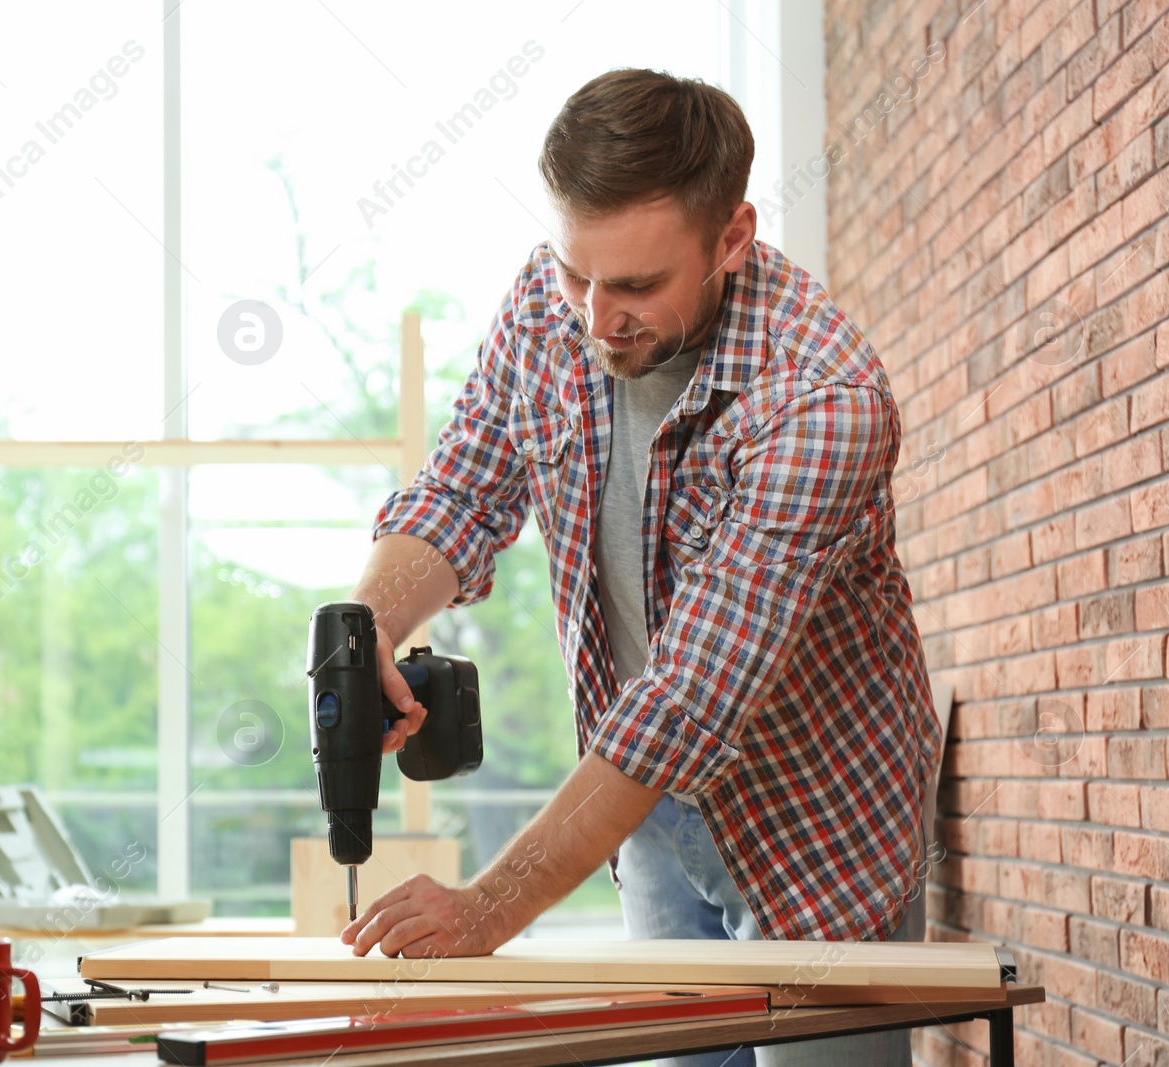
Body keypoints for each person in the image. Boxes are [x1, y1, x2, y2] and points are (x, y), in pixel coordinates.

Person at [337, 68, 941, 1067]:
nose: (592, 317)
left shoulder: (821, 400)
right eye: (578, 273)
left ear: (733, 239)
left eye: (635, 286)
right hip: (643, 812)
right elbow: (461, 489)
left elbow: (688, 700)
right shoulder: (548, 301)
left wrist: (492, 902)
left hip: (818, 827)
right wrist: (366, 625)